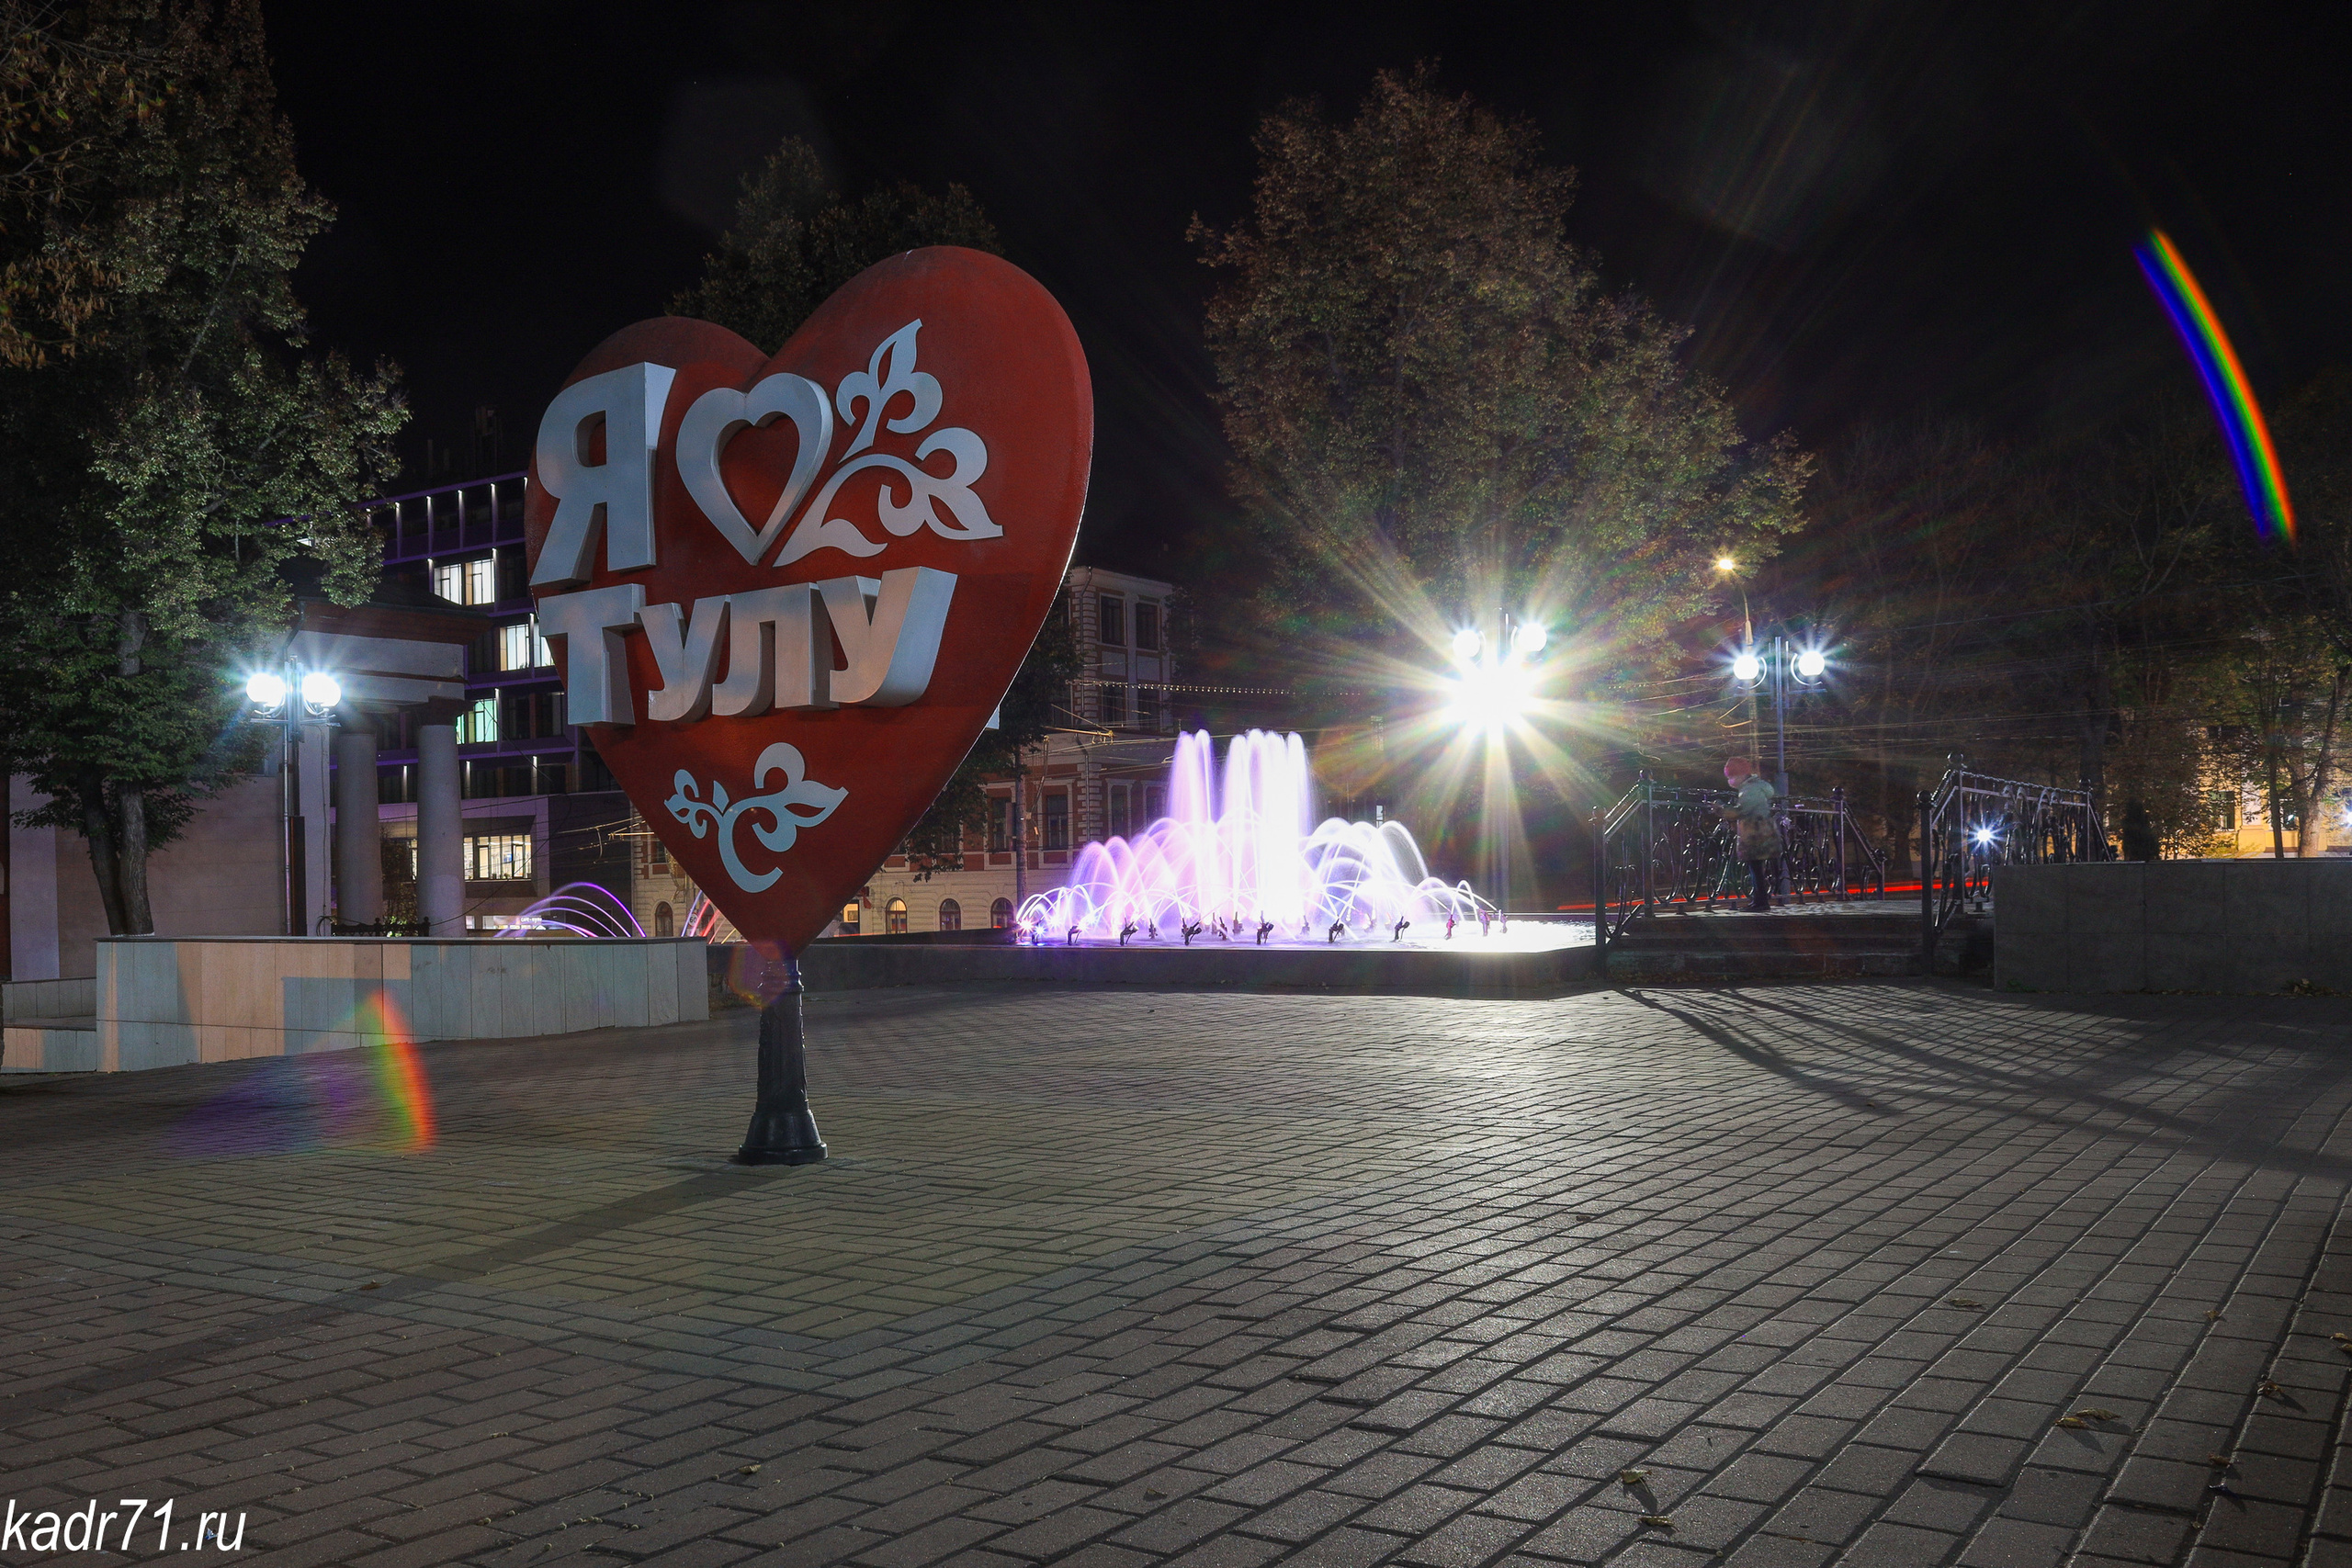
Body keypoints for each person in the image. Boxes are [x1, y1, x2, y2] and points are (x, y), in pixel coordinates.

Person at [1722, 757, 1781, 911]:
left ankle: (1760, 902)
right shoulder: (1757, 787)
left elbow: (1741, 811)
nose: (1730, 781)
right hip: (1762, 831)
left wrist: (1721, 809)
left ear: (1740, 775)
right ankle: (1759, 900)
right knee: (1757, 868)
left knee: (1755, 868)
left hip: (1755, 832)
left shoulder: (1749, 790)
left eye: (1731, 777)